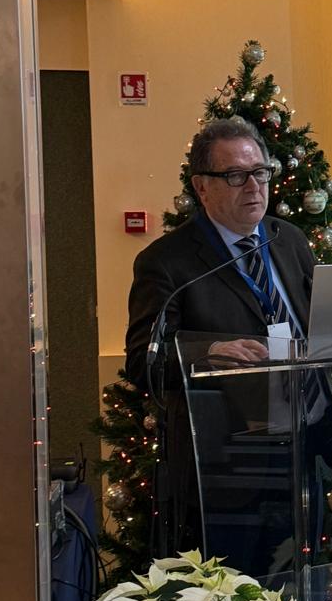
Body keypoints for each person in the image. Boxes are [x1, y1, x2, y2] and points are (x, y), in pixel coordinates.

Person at [125, 116, 318, 557]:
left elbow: (312, 323)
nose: (253, 187)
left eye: (260, 172)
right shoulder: (167, 261)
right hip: (228, 461)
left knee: (303, 570)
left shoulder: (288, 239)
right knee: (239, 576)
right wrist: (208, 351)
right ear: (202, 187)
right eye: (235, 175)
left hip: (304, 442)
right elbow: (142, 362)